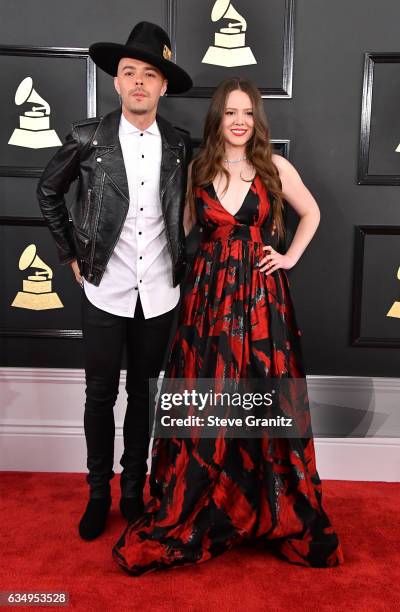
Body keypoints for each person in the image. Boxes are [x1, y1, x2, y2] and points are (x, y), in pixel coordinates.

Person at [112, 77, 344, 574]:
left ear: (257, 121)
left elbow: (313, 213)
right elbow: (171, 230)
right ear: (217, 118)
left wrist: (287, 258)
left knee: (264, 395)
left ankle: (265, 505)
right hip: (209, 303)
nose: (239, 121)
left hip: (263, 303)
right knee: (210, 398)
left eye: (248, 113)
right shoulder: (197, 170)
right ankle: (205, 501)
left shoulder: (274, 167)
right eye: (230, 112)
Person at [37, 22, 193, 541]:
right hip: (105, 287)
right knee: (100, 394)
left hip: (161, 290)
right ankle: (99, 494)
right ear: (116, 82)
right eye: (130, 73)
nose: (139, 83)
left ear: (163, 86)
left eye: (150, 75)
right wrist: (71, 254)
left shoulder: (179, 143)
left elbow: (184, 211)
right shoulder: (87, 137)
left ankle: (133, 491)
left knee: (144, 396)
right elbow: (48, 191)